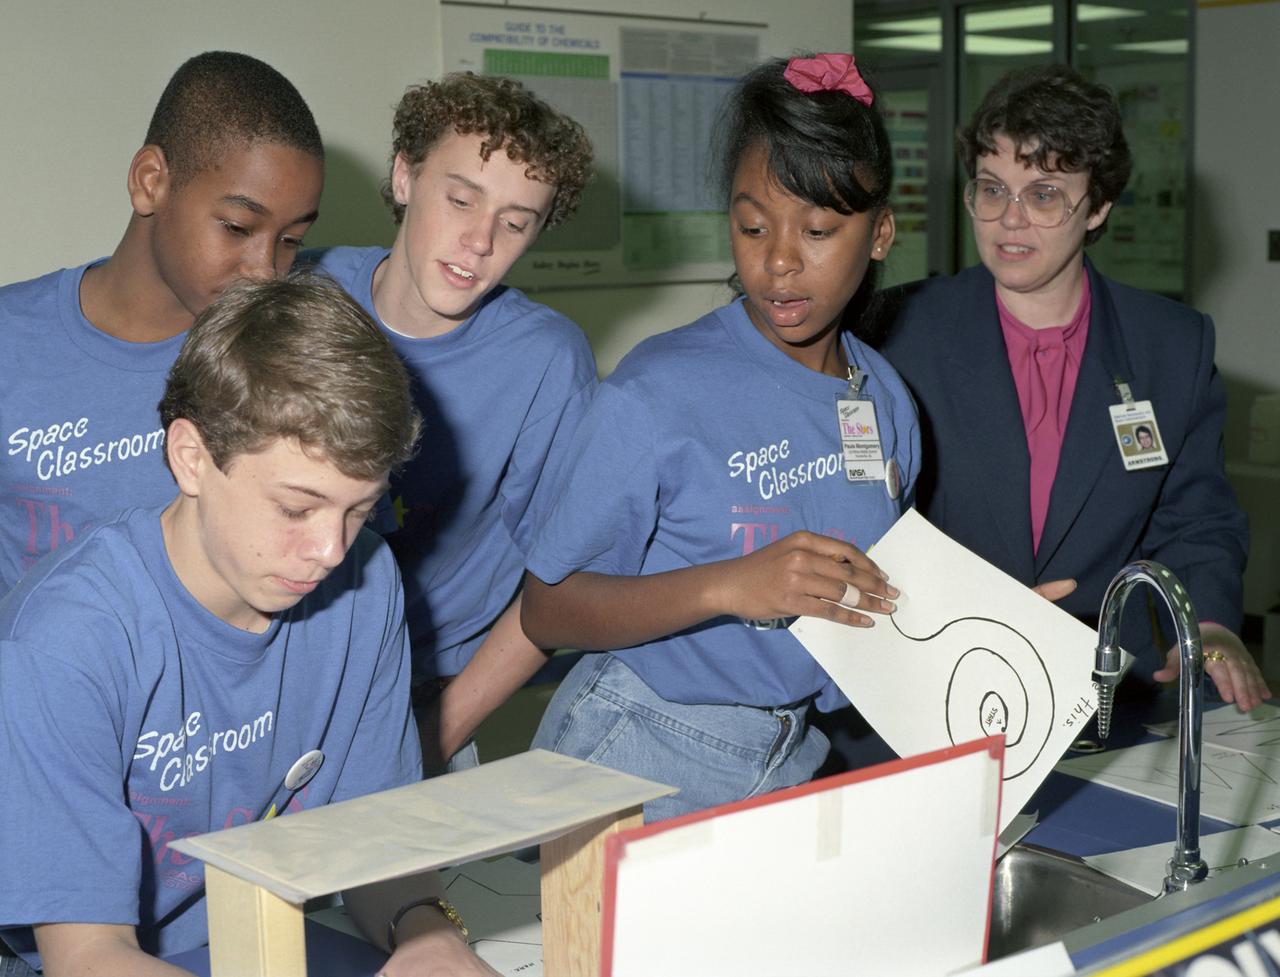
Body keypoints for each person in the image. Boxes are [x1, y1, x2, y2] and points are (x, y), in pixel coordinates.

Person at [0, 275, 497, 977]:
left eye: (358, 509)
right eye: (297, 508)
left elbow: (373, 847)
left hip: (260, 932)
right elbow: (87, 956)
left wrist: (424, 934)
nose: (331, 549)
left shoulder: (367, 578)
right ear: (192, 457)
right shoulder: (64, 642)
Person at [519, 53, 916, 822]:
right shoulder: (657, 390)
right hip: (635, 744)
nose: (778, 261)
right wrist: (727, 585)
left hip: (791, 754)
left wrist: (974, 625)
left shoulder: (888, 400)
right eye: (752, 225)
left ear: (880, 235)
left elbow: (868, 602)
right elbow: (547, 607)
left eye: (820, 229)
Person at [877, 64, 1268, 711]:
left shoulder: (1171, 347)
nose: (1009, 219)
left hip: (1102, 697)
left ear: (1100, 205)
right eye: (992, 188)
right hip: (932, 683)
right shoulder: (899, 333)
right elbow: (864, 524)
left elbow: (1197, 520)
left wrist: (1209, 624)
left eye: (1045, 194)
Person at [306, 72, 597, 769]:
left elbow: (557, 588)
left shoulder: (547, 363)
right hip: (278, 682)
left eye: (516, 221)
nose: (479, 241)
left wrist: (435, 732)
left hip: (422, 694)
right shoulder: (304, 295)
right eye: (461, 198)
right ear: (404, 176)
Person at [0, 50, 325, 595]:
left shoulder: (290, 357)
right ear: (151, 181)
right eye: (238, 227)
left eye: (292, 240)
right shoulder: (12, 341)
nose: (265, 271)